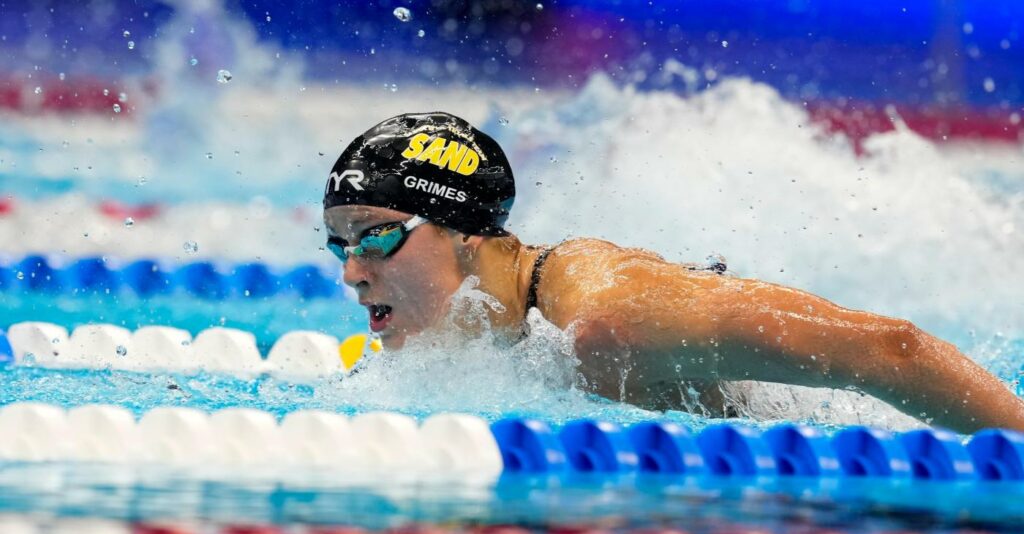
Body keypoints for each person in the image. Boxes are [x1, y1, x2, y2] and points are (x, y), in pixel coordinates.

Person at [322, 112, 1024, 434]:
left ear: (466, 234)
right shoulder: (506, 332)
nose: (351, 273)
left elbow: (888, 347)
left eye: (377, 236)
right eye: (338, 245)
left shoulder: (606, 317)